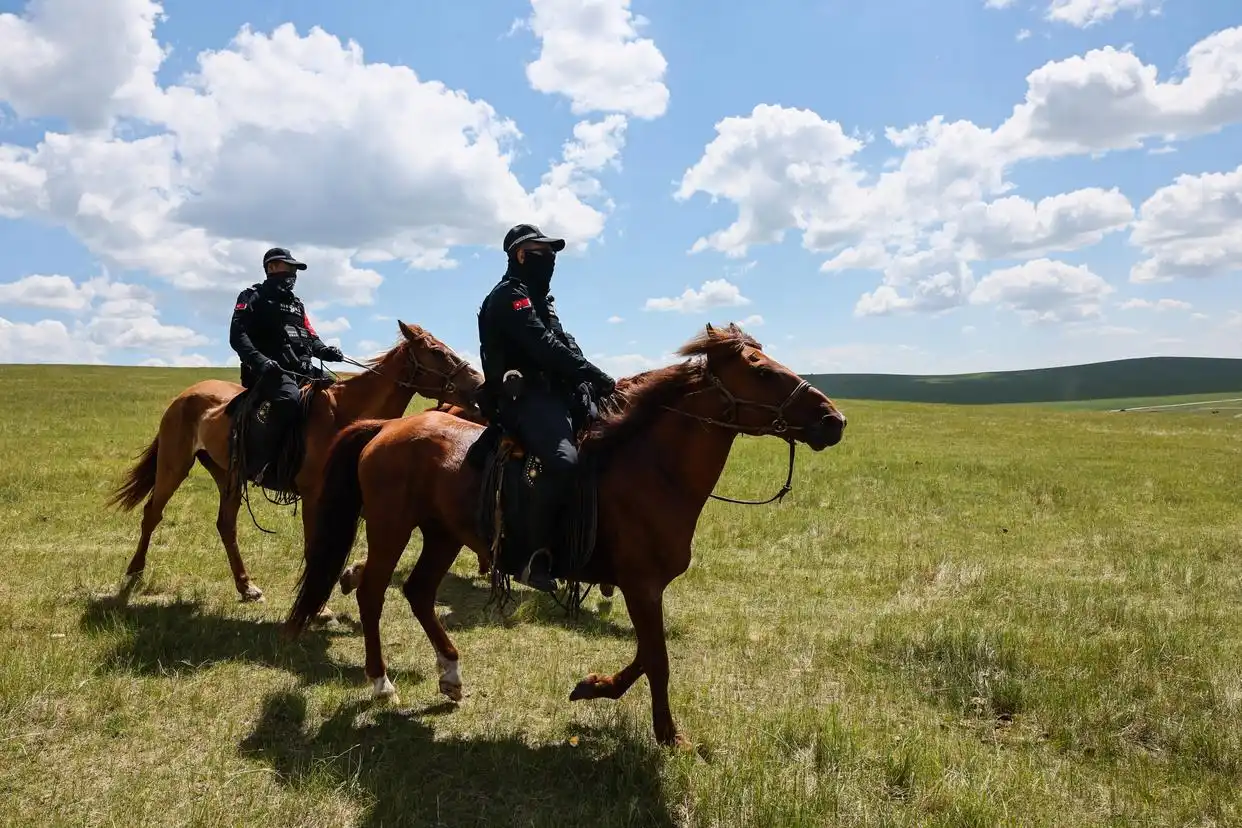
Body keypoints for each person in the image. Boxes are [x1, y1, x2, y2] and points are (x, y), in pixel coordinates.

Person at [476, 224, 616, 592]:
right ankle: (530, 555)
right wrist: (592, 372)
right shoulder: (509, 297)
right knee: (563, 462)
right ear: (521, 254)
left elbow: (564, 343)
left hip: (558, 391)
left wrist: (586, 376)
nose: (550, 259)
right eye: (543, 251)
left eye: (552, 253)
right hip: (525, 397)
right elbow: (542, 347)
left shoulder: (541, 299)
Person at [229, 247, 344, 483]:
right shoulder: (252, 296)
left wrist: (325, 351)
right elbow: (237, 335)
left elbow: (310, 335)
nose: (292, 273)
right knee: (288, 399)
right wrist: (260, 361)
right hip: (267, 372)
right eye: (288, 267)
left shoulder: (296, 304)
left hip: (301, 369)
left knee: (338, 395)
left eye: (295, 269)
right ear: (271, 268)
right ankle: (261, 463)